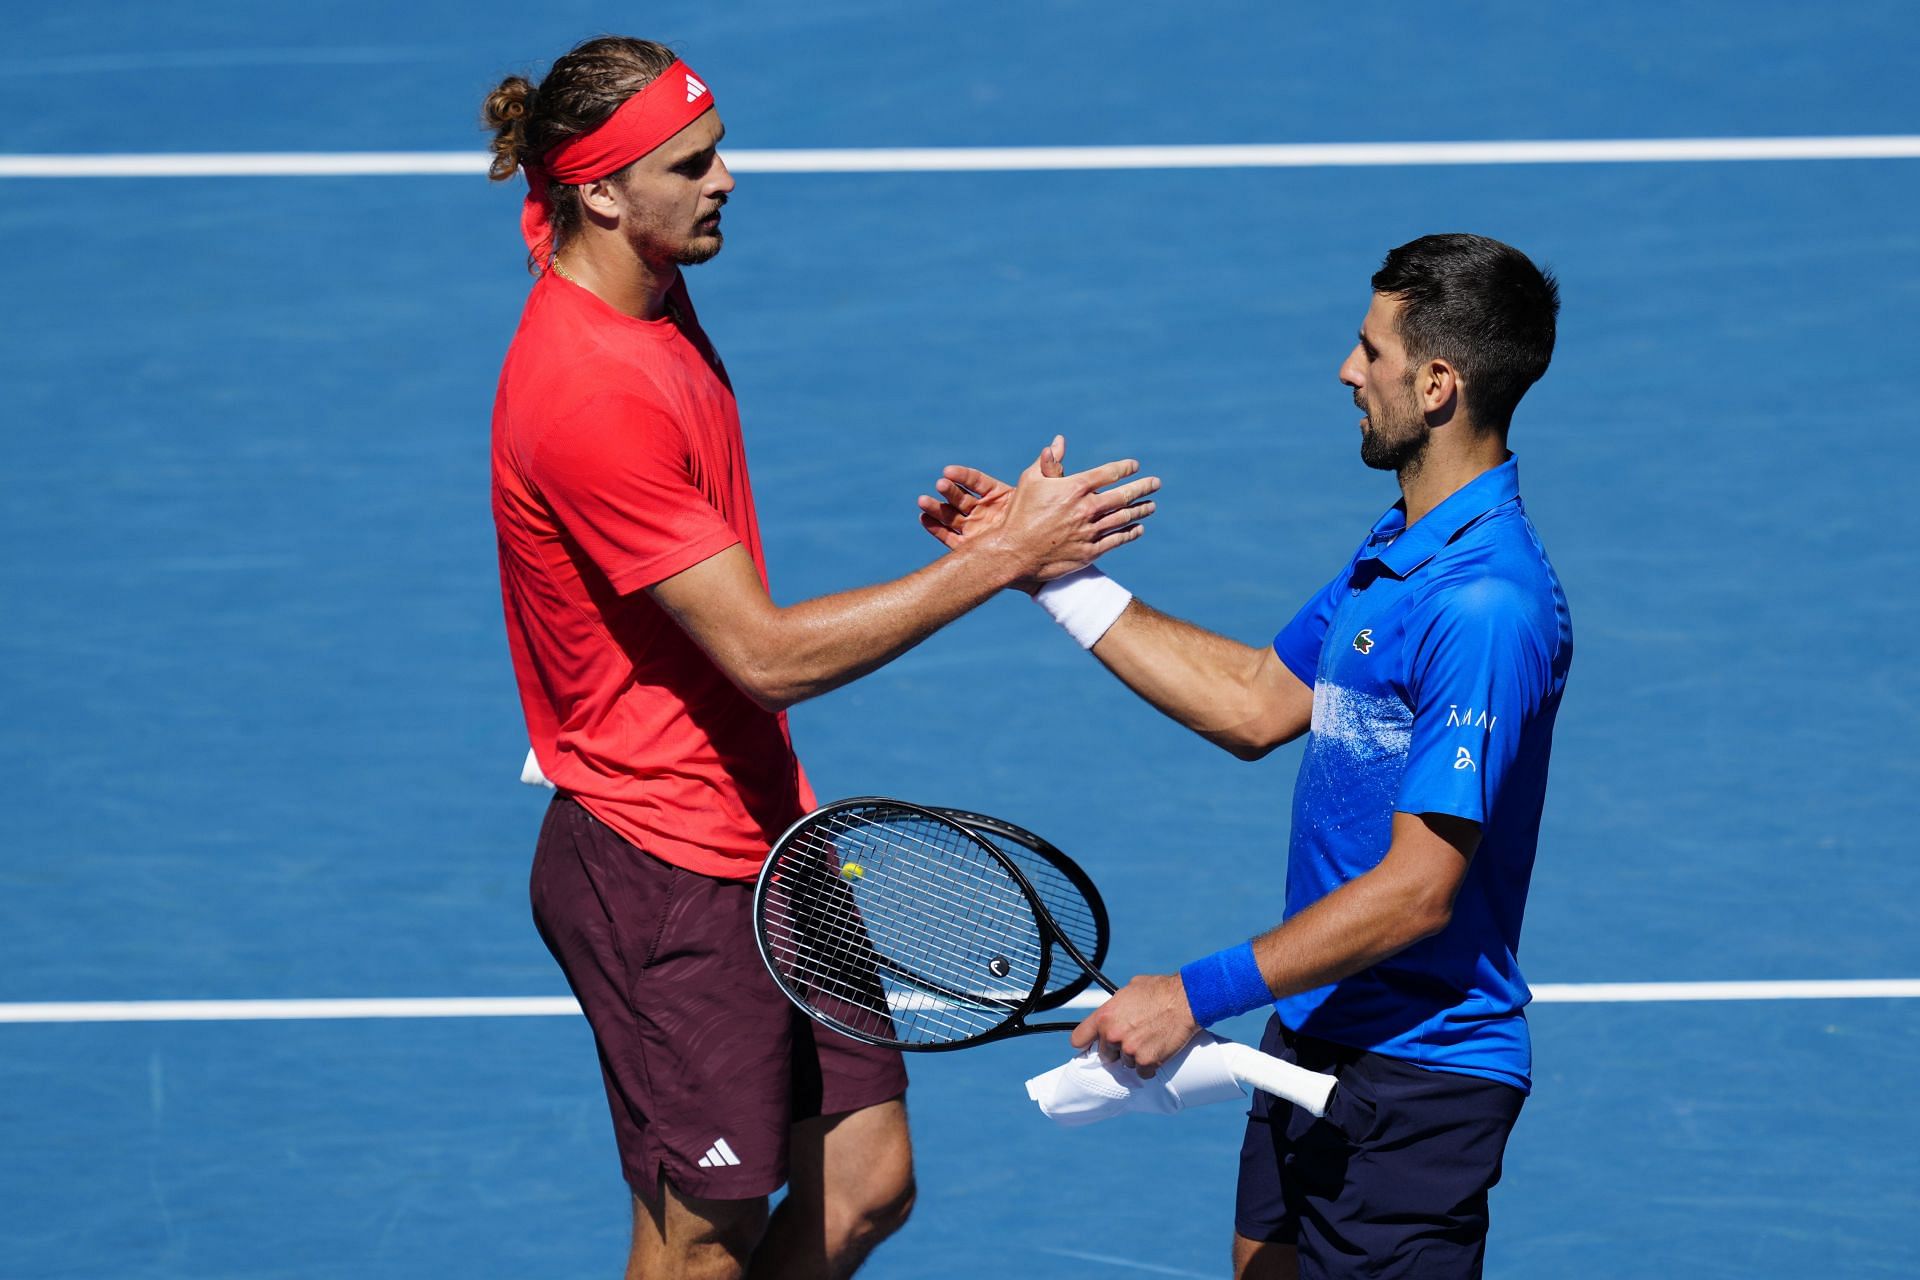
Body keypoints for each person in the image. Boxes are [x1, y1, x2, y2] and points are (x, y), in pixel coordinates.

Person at [481, 36, 1158, 1280]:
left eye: (719, 145)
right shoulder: (590, 394)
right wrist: (1009, 556)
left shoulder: (632, 267)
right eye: (692, 163)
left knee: (862, 1185)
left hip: (765, 826)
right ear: (599, 192)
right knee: (701, 1241)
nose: (727, 177)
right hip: (662, 866)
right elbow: (769, 656)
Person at [921, 233, 1569, 1279]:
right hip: (1316, 1030)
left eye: (1373, 350)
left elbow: (1416, 893)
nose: (1347, 371)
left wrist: (1194, 991)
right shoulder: (1400, 547)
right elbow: (1255, 701)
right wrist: (1042, 572)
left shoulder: (1485, 605)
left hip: (1418, 1084)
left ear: (1439, 383)